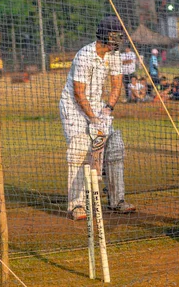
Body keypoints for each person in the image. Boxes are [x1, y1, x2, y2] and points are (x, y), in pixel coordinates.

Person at [59, 15, 135, 221]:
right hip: (74, 108)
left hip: (98, 106)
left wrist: (108, 109)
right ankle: (76, 205)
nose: (118, 39)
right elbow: (78, 93)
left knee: (115, 146)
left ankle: (116, 200)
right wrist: (93, 118)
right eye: (115, 35)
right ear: (104, 35)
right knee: (79, 148)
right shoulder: (84, 55)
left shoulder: (114, 56)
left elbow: (117, 84)